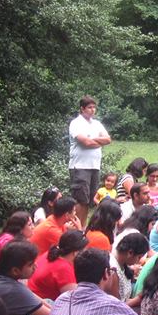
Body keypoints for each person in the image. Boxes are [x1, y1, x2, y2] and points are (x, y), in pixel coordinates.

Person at [68, 95, 113, 226]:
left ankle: (82, 228)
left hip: (94, 166)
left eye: (94, 107)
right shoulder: (76, 123)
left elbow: (108, 140)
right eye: (89, 107)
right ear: (82, 109)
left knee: (88, 200)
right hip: (80, 166)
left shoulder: (97, 124)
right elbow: (86, 142)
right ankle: (75, 228)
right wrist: (98, 141)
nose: (92, 110)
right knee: (80, 200)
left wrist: (92, 140)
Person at [28, 229, 88, 300]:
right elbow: (75, 299)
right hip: (40, 301)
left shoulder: (52, 253)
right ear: (76, 253)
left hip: (32, 295)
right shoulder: (63, 269)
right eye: (85, 250)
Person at [109, 232, 150, 302]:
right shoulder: (113, 270)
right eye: (139, 257)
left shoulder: (122, 265)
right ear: (130, 253)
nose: (139, 261)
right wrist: (137, 299)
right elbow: (115, 304)